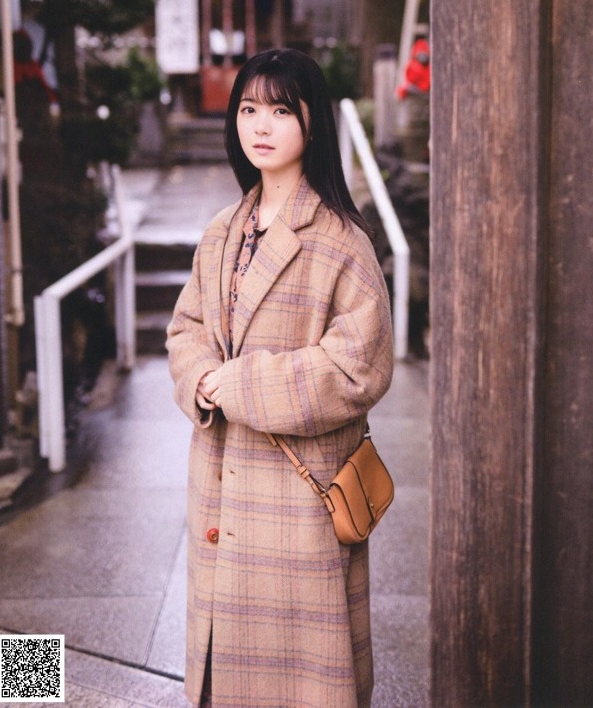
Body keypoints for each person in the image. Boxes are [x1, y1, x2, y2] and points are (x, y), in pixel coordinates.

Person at [166, 48, 394, 707]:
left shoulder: (340, 239)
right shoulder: (221, 231)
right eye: (248, 109)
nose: (260, 125)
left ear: (312, 124)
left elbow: (356, 366)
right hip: (220, 485)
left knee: (300, 682)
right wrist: (200, 380)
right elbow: (185, 331)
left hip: (298, 505)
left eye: (280, 111)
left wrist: (231, 385)